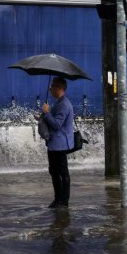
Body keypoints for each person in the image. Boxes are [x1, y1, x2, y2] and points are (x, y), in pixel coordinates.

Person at [42, 76, 74, 208]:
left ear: (59, 88)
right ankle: (57, 199)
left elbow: (56, 124)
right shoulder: (58, 102)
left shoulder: (64, 105)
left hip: (60, 145)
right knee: (54, 171)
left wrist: (47, 113)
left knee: (62, 172)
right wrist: (44, 116)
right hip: (54, 144)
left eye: (52, 86)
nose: (50, 89)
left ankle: (63, 201)